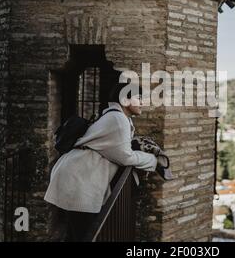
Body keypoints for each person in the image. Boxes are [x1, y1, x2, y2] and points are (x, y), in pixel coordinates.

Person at [44, 83, 162, 241]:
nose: (143, 103)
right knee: (84, 234)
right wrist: (153, 160)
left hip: (78, 175)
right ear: (125, 100)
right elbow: (125, 156)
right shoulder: (118, 119)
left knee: (76, 233)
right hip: (79, 179)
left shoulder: (117, 116)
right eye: (139, 98)